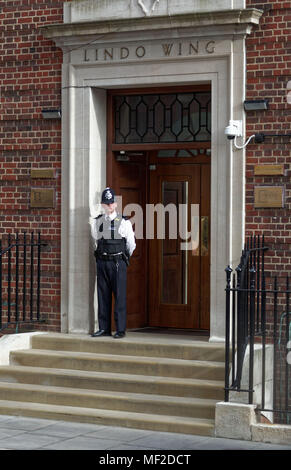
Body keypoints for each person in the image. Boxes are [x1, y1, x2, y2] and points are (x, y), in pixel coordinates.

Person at [90, 187, 136, 339]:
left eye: (111, 203)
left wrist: (122, 258)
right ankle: (104, 328)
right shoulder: (98, 222)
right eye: (106, 203)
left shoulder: (124, 222)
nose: (109, 206)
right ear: (102, 205)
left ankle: (120, 329)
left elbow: (131, 244)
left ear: (115, 204)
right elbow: (96, 239)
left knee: (119, 296)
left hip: (117, 263)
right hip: (102, 262)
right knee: (102, 296)